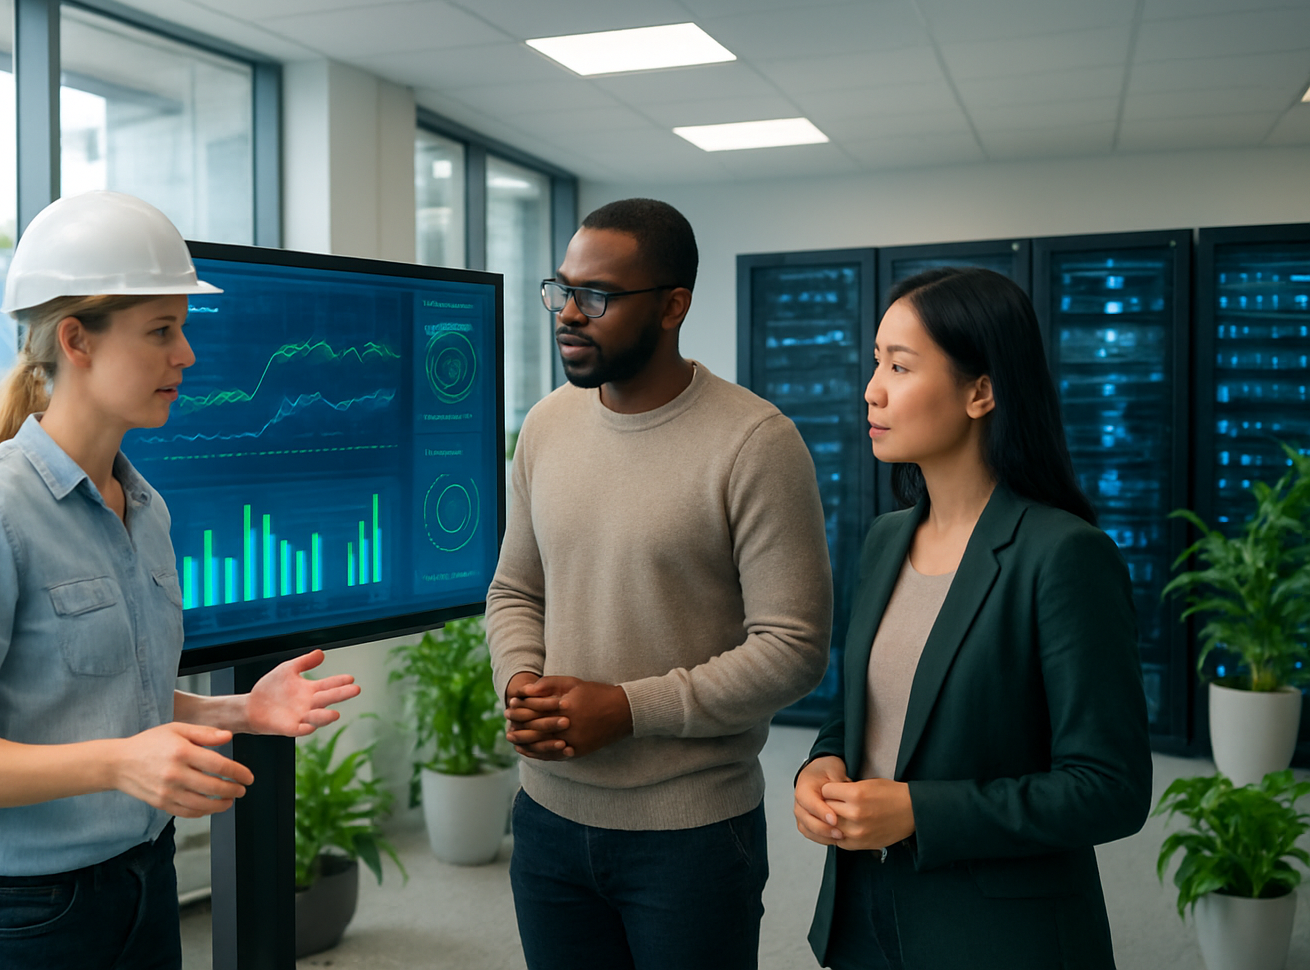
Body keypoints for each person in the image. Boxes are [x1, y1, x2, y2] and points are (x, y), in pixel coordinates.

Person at [0, 191, 360, 970]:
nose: (187, 356)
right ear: (76, 340)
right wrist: (118, 762)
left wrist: (242, 708)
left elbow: (92, 694)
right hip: (20, 918)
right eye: (161, 331)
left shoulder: (144, 507)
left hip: (145, 886)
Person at [486, 197, 833, 970]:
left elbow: (794, 647)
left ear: (674, 305)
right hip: (545, 817)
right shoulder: (545, 426)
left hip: (693, 837)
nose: (569, 314)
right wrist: (521, 683)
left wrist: (627, 708)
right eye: (561, 290)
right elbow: (516, 589)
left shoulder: (756, 444)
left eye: (597, 297)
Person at [792, 266, 1153, 970]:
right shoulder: (885, 538)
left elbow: (1110, 789)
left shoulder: (1064, 555)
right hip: (867, 917)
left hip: (999, 939)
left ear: (981, 391)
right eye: (875, 363)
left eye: (900, 365)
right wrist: (822, 764)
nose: (873, 389)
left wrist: (919, 811)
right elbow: (864, 716)